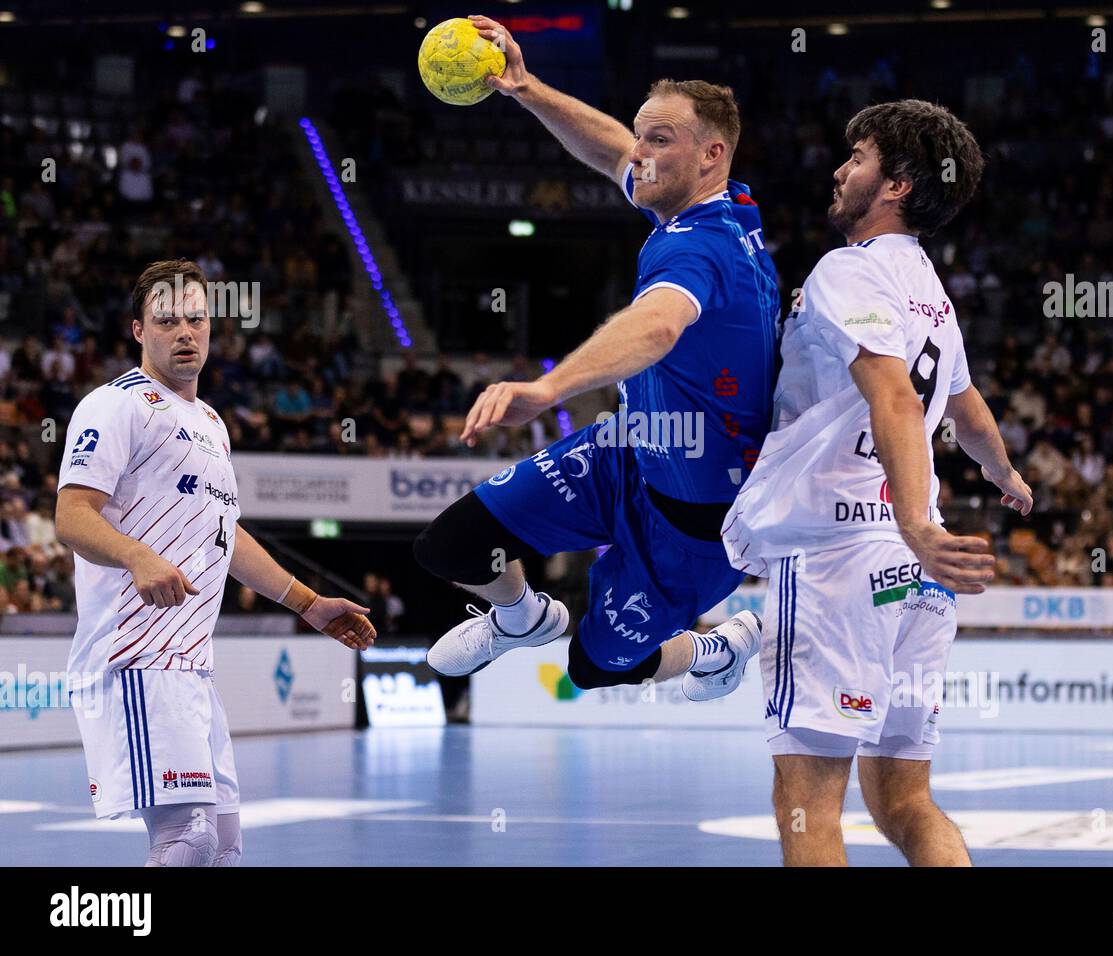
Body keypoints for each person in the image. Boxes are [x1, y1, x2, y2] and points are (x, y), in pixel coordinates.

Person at [415, 15, 780, 698]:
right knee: (450, 548)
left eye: (659, 139)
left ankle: (714, 650)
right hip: (630, 452)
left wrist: (548, 389)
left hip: (695, 521)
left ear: (712, 154)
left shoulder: (698, 247)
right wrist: (525, 89)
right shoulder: (703, 207)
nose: (638, 153)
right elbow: (611, 148)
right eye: (642, 134)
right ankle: (521, 619)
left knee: (592, 666)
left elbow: (657, 326)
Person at [721, 100, 1033, 867]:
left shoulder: (846, 271)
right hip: (918, 583)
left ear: (894, 183)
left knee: (808, 802)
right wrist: (1003, 473)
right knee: (904, 800)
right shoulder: (934, 294)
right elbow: (966, 409)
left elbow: (893, 393)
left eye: (855, 157)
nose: (838, 169)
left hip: (841, 554)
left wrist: (915, 525)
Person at [55, 259, 376, 867]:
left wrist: (309, 604)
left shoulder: (210, 424)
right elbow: (71, 515)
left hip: (193, 668)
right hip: (134, 656)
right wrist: (138, 556)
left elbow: (224, 533)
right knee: (187, 837)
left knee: (223, 848)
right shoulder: (115, 405)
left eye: (196, 319)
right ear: (137, 330)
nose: (184, 331)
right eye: (167, 319)